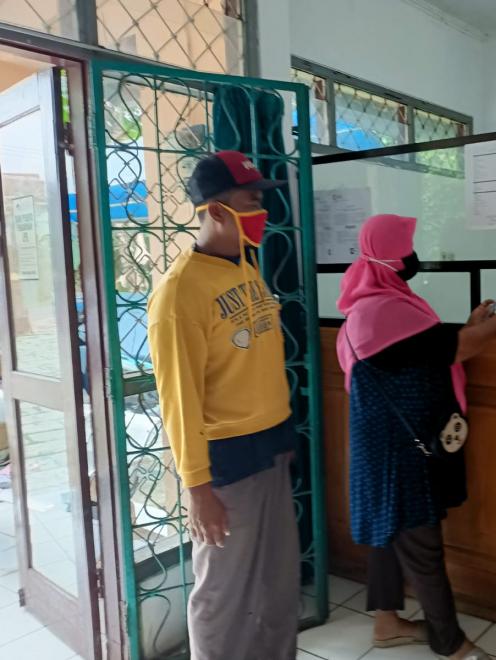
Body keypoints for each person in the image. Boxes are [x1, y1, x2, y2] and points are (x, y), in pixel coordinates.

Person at [336, 214, 496, 660]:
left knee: (389, 531)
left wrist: (472, 322)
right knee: (421, 541)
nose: (412, 256)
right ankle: (451, 643)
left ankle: (387, 623)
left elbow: (424, 348)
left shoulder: (375, 302)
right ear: (389, 256)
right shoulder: (382, 311)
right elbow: (455, 350)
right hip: (397, 452)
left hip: (382, 443)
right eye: (405, 248)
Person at [147, 151, 300, 659]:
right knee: (223, 595)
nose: (263, 211)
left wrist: (282, 440)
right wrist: (198, 489)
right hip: (227, 463)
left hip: (271, 446)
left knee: (278, 584)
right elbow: (178, 401)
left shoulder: (245, 266)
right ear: (215, 210)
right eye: (251, 201)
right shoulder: (179, 294)